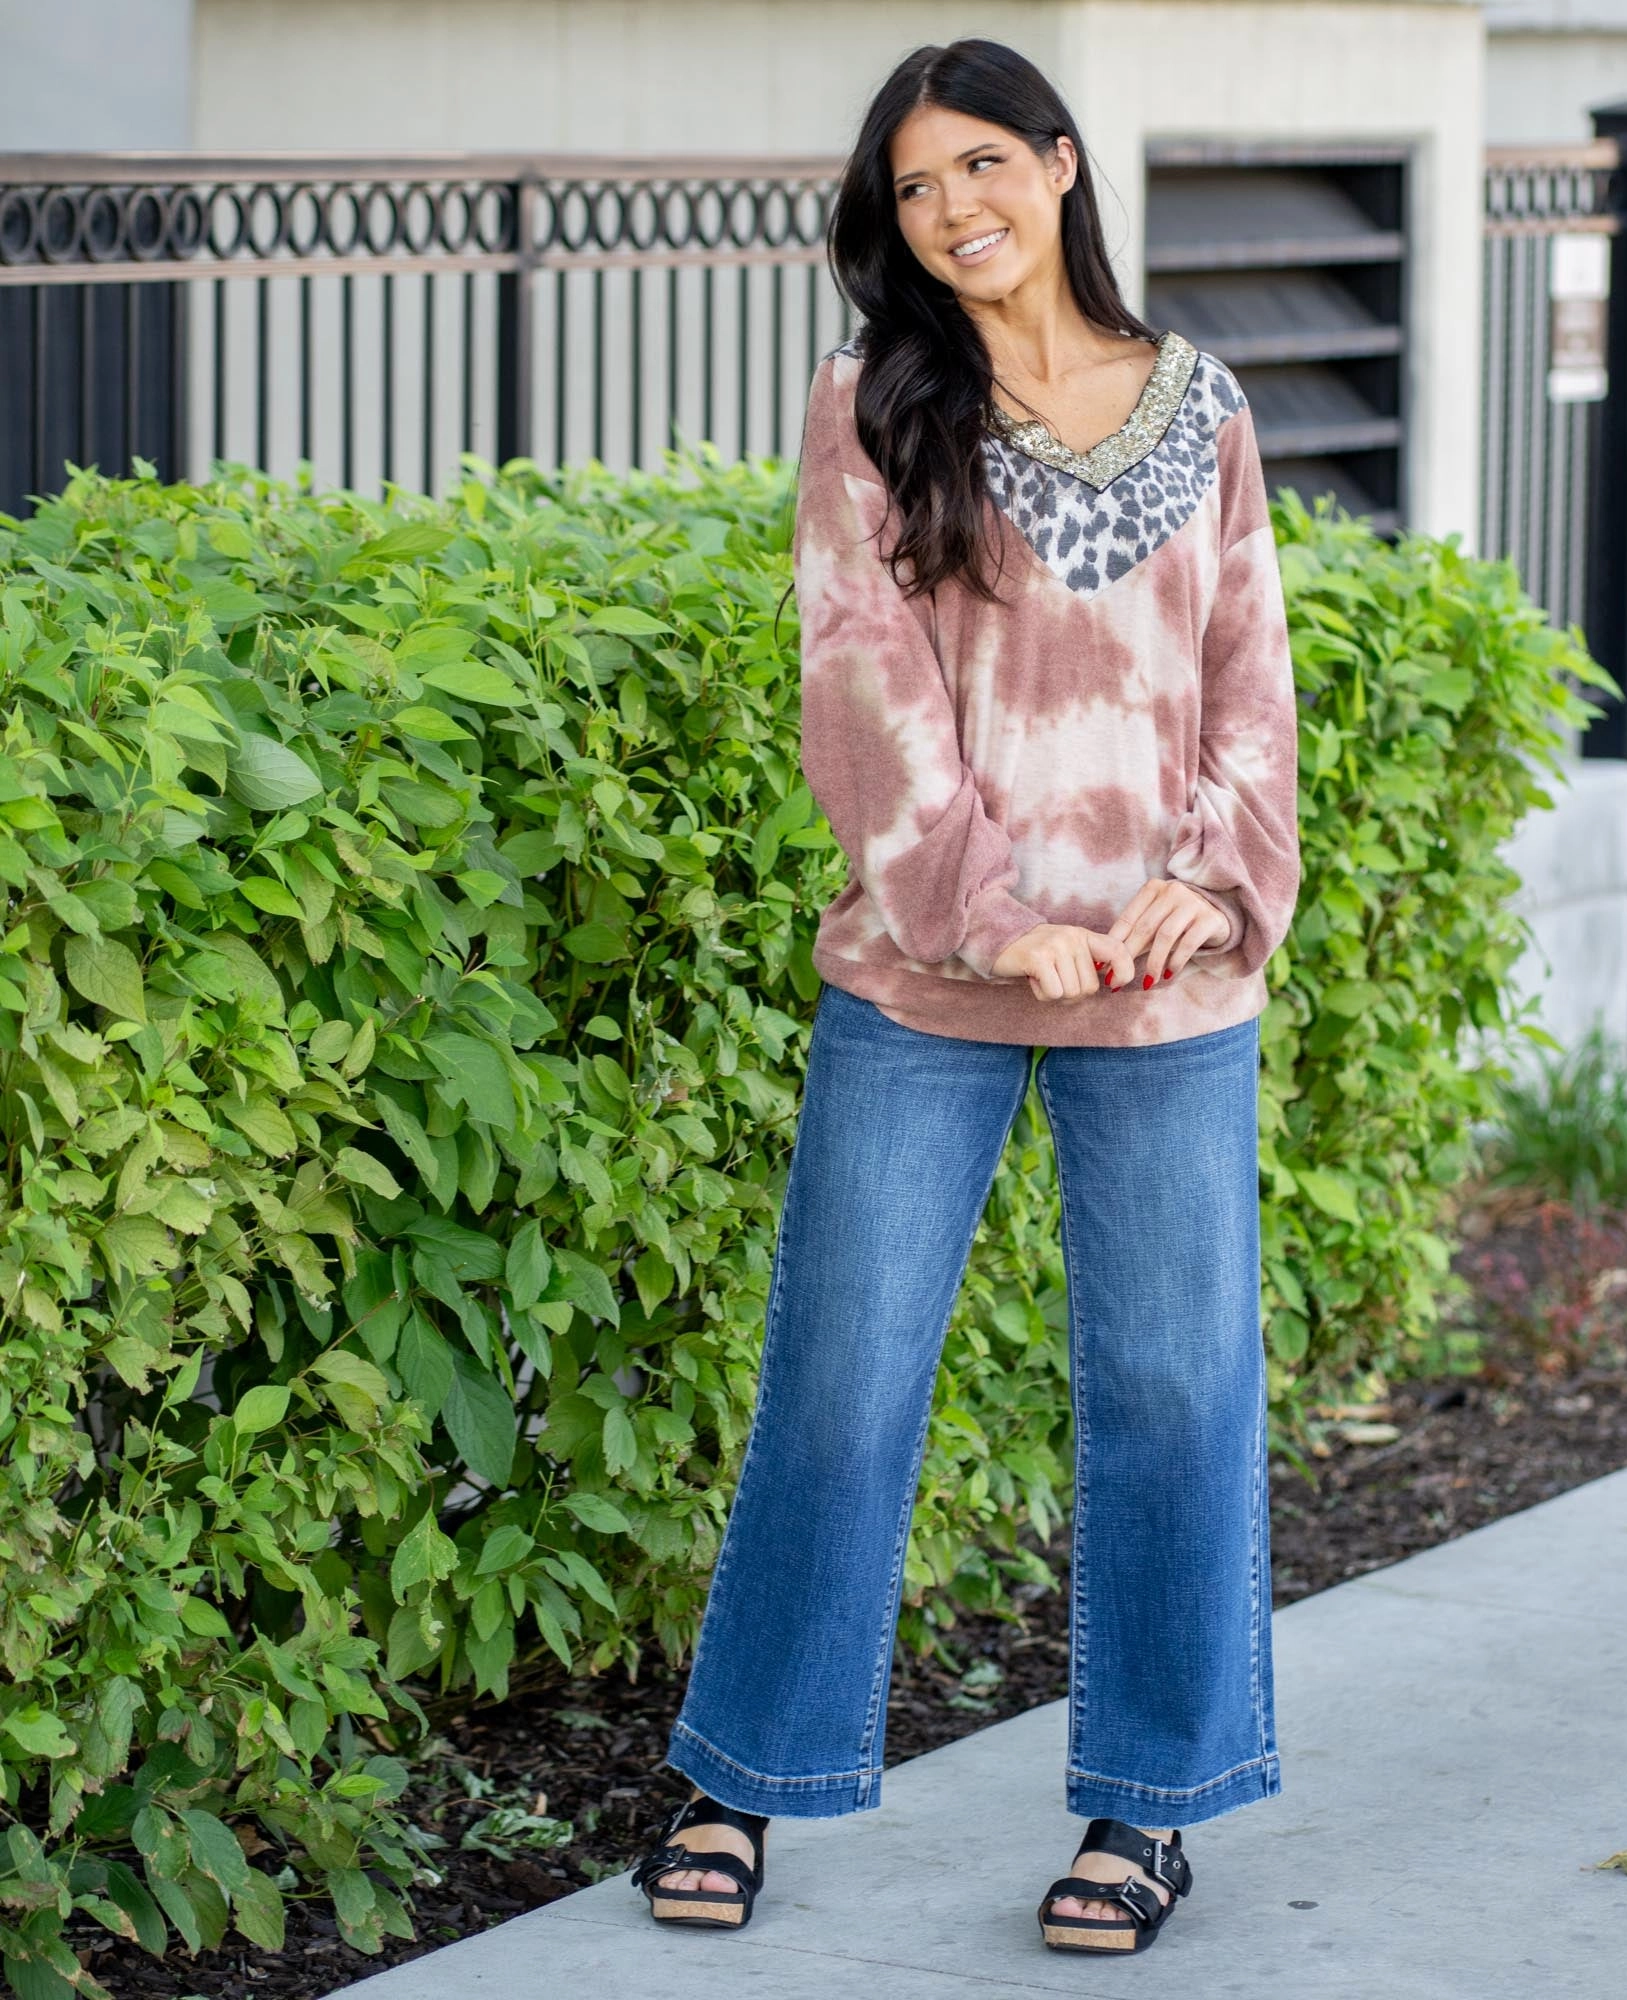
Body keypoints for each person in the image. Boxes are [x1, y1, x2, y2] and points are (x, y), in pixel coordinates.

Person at [629, 34, 1300, 1957]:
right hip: (928, 983)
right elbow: (864, 683)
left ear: (1064, 168)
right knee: (842, 1383)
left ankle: (1149, 1811)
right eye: (916, 189)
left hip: (1166, 994)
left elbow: (1248, 680)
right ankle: (740, 1775)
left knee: (1176, 1394)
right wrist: (989, 914)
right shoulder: (873, 401)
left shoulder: (1206, 401)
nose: (953, 214)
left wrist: (1214, 878)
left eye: (984, 167)